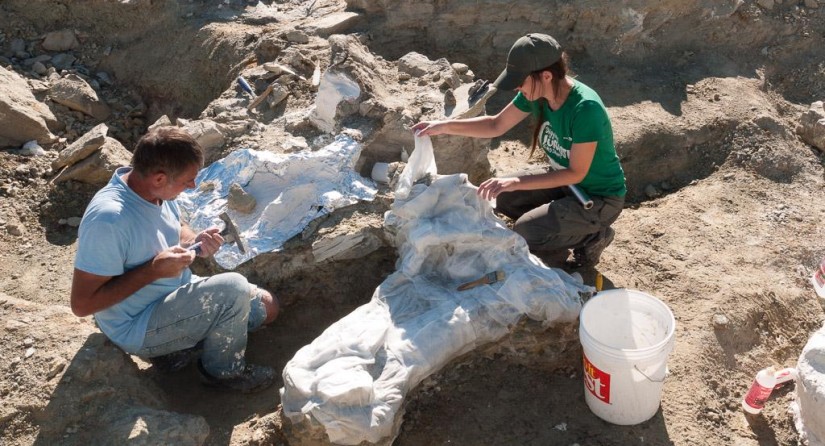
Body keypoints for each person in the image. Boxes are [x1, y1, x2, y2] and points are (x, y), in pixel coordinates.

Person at [70, 127, 280, 393]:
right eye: (187, 181)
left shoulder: (151, 189)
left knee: (268, 307)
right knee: (233, 288)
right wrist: (153, 271)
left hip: (173, 294)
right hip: (137, 323)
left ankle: (176, 350)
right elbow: (82, 304)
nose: (192, 186)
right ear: (159, 179)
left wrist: (194, 240)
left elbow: (175, 224)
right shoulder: (109, 220)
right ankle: (223, 374)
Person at [412, 33, 626, 268]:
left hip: (597, 197)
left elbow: (576, 173)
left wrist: (516, 181)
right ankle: (558, 226)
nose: (516, 87)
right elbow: (496, 125)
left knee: (525, 232)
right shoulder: (538, 92)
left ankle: (594, 236)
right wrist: (444, 127)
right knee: (498, 195)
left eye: (520, 81)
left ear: (546, 75)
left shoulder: (586, 109)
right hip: (564, 183)